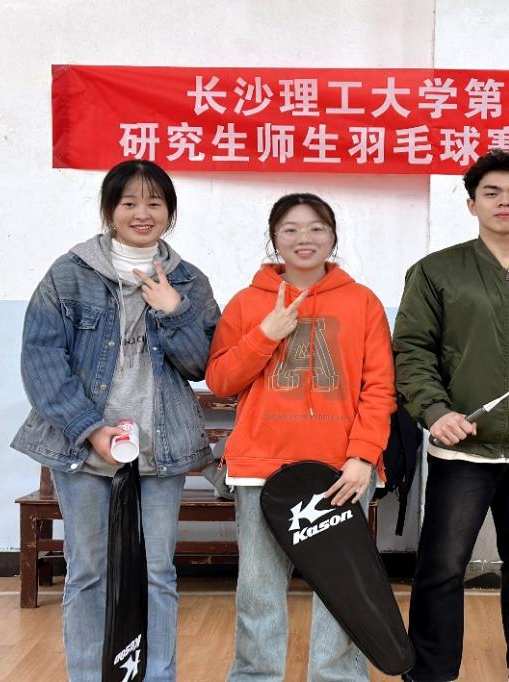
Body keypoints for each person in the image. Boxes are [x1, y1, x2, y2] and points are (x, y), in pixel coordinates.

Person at [11, 159, 219, 681]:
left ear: (170, 213)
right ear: (110, 210)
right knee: (88, 571)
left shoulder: (189, 280)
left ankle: (158, 676)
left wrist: (173, 310)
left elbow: (203, 365)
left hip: (160, 449)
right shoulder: (69, 274)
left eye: (154, 203)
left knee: (158, 572)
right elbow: (41, 360)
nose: (142, 213)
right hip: (83, 447)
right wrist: (89, 427)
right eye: (129, 203)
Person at [393, 149, 509, 682]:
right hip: (462, 452)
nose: (505, 202)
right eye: (492, 193)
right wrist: (435, 412)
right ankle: (431, 670)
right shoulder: (436, 271)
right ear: (472, 203)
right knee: (442, 566)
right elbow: (411, 349)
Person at [206, 192, 396, 682]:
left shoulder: (363, 302)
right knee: (259, 588)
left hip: (341, 470)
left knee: (342, 588)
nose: (303, 238)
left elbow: (379, 387)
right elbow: (221, 380)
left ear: (333, 237)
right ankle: (254, 677)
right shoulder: (248, 303)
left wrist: (363, 456)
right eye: (290, 229)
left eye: (316, 228)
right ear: (274, 239)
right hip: (260, 467)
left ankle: (338, 678)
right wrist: (265, 334)